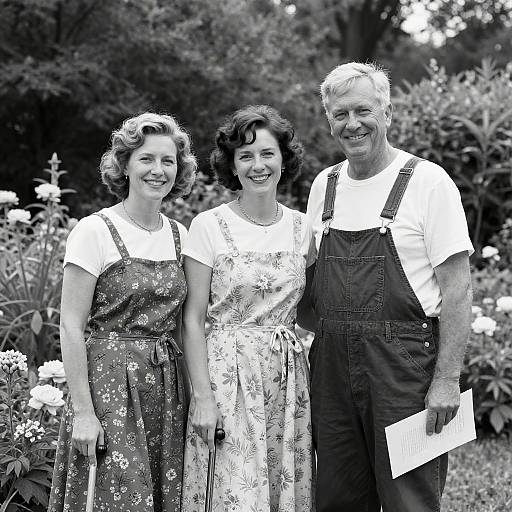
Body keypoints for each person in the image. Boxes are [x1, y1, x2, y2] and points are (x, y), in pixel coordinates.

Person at [298, 62, 474, 512]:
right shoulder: (325, 186)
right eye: (340, 114)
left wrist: (447, 380)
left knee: (408, 498)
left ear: (388, 113)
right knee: (338, 495)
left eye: (363, 110)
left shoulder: (427, 182)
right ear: (329, 120)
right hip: (333, 366)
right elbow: (311, 283)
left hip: (404, 369)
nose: (351, 124)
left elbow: (458, 291)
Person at [48, 112, 197, 512]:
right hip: (109, 390)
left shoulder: (180, 236)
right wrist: (82, 411)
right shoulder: (94, 230)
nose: (158, 170)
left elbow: (185, 327)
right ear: (126, 164)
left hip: (166, 391)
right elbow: (71, 324)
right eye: (147, 158)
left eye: (168, 161)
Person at [181, 105, 315, 512]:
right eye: (246, 155)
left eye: (267, 153)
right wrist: (202, 397)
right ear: (232, 166)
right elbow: (191, 320)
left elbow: (309, 311)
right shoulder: (208, 225)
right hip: (228, 375)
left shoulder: (302, 227)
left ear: (283, 158)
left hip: (288, 376)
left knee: (283, 482)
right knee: (234, 489)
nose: (258, 165)